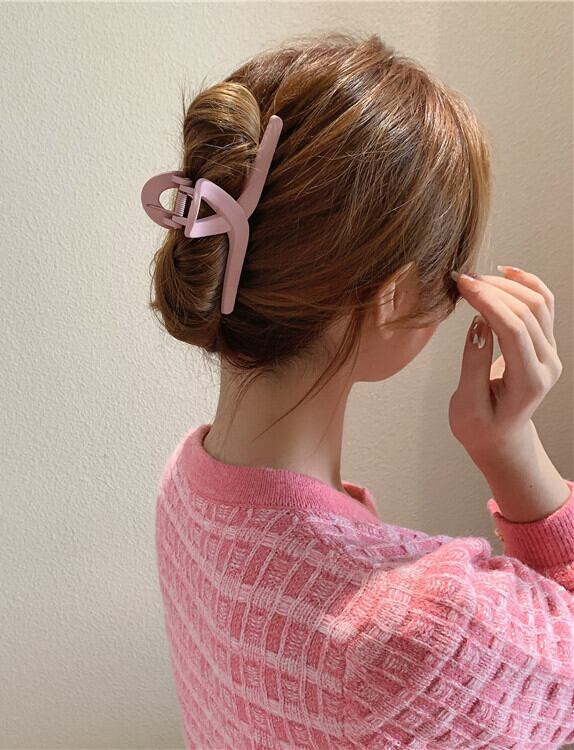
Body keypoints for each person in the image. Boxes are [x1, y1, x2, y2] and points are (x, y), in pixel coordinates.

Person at [143, 31, 573, 749]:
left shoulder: (185, 492)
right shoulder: (427, 636)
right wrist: (512, 452)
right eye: (451, 278)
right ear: (392, 297)